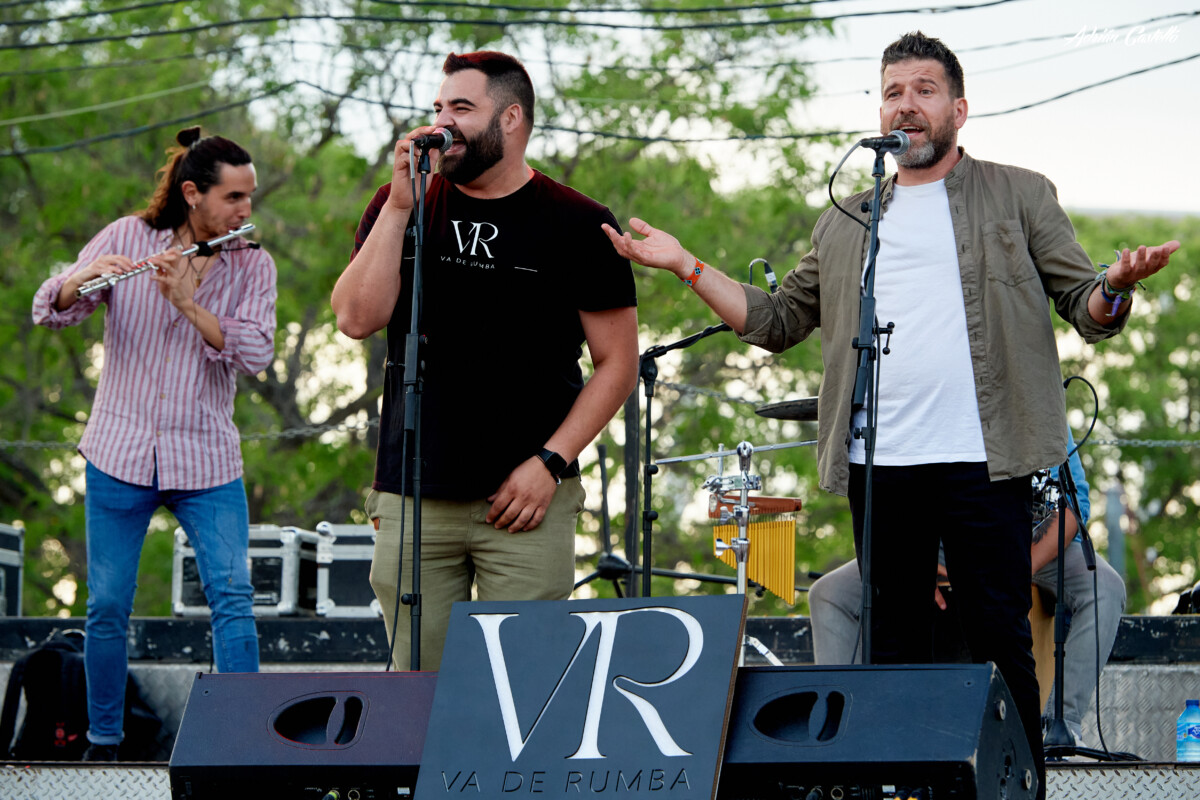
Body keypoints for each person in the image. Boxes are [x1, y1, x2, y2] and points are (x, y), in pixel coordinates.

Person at [603, 30, 1177, 797]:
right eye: (892, 91)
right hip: (882, 462)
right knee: (892, 646)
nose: (905, 103)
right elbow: (776, 321)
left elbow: (1086, 304)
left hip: (986, 456)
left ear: (958, 108)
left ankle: (1018, 785)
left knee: (1000, 638)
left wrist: (1117, 284)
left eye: (923, 90)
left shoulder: (1020, 192)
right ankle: (904, 788)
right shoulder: (845, 217)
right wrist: (687, 265)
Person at [330, 51, 639, 672]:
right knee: (417, 697)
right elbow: (354, 319)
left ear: (512, 119)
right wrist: (397, 208)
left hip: (526, 501)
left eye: (462, 109)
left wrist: (551, 464)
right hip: (415, 495)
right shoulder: (401, 206)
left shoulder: (578, 222)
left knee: (518, 690)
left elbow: (618, 364)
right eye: (438, 107)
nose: (441, 122)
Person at [31, 127, 275, 761]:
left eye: (251, 196)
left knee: (232, 594)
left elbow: (254, 353)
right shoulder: (128, 238)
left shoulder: (254, 265)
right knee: (108, 603)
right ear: (193, 194)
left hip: (207, 459)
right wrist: (85, 274)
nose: (246, 210)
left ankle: (243, 744)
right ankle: (104, 742)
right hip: (121, 452)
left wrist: (189, 304)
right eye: (234, 197)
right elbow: (50, 310)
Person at [808, 430, 1127, 747]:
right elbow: (896, 504)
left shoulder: (1035, 401)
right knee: (829, 594)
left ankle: (1062, 726)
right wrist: (917, 561)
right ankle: (844, 731)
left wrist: (1015, 571)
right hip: (944, 541)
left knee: (1106, 587)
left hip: (1032, 544)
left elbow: (1074, 506)